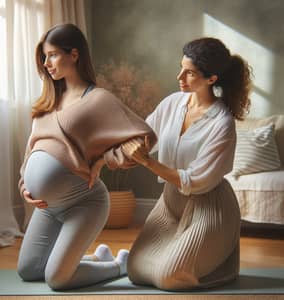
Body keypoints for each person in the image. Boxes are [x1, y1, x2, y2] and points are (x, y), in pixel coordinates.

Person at [17, 23, 156, 291]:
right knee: (29, 270)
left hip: (84, 203)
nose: (47, 63)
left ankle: (119, 265)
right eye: (44, 57)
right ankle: (98, 258)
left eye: (53, 55)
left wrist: (104, 160)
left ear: (74, 55)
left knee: (57, 279)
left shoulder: (99, 99)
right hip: (48, 207)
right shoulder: (48, 99)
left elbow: (144, 137)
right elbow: (31, 149)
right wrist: (25, 185)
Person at [121, 37, 252, 290]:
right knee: (135, 271)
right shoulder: (172, 103)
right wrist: (127, 149)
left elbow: (195, 181)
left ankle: (219, 263)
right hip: (171, 202)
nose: (180, 76)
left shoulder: (221, 123)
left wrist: (146, 161)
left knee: (170, 278)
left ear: (211, 79)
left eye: (189, 72)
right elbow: (146, 137)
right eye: (181, 67)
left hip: (210, 206)